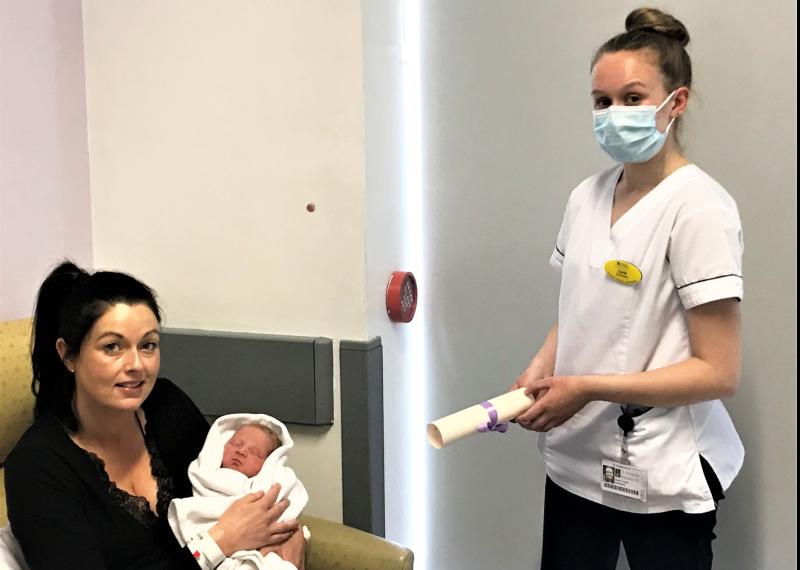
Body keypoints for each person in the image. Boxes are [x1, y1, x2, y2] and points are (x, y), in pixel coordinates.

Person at [510, 8, 744, 570]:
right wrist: (542, 366)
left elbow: (719, 372)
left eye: (633, 98)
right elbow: (582, 307)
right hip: (576, 461)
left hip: (663, 469)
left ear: (676, 103)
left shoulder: (699, 208)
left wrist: (586, 386)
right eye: (602, 101)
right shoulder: (585, 197)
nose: (614, 114)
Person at [4, 261, 305, 569]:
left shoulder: (167, 407)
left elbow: (239, 489)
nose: (137, 364)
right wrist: (218, 541)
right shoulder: (37, 468)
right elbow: (229, 530)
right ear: (68, 354)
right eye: (112, 347)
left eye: (148, 345)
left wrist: (288, 536)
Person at [168, 414, 310, 570]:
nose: (241, 451)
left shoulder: (270, 485)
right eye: (236, 444)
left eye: (255, 452)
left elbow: (285, 519)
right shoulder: (205, 476)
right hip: (208, 551)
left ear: (269, 463)